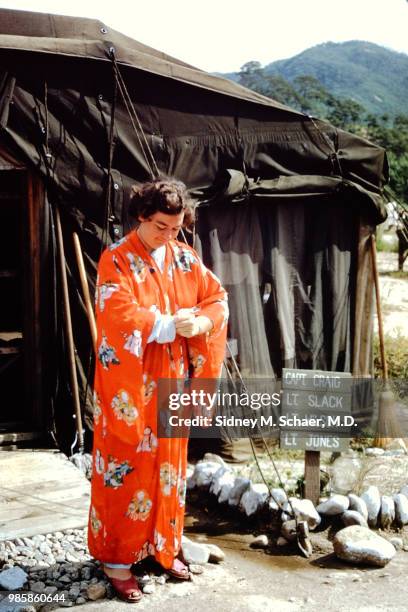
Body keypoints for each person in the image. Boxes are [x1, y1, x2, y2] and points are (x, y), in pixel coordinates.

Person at [87, 177, 228, 602]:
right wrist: (166, 325)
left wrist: (202, 322)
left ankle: (162, 547)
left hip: (171, 380)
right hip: (130, 384)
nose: (169, 235)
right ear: (141, 217)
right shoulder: (117, 258)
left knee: (169, 463)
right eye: (160, 227)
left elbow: (216, 297)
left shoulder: (185, 259)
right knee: (125, 464)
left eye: (176, 227)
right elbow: (116, 311)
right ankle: (116, 558)